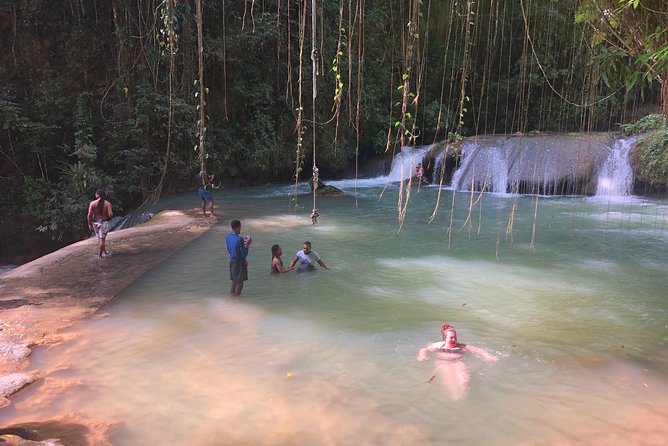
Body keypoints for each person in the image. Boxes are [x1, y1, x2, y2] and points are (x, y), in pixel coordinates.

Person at [417, 323, 497, 401]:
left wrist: (489, 356)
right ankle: (455, 393)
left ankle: (465, 385)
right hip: (444, 363)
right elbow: (424, 349)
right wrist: (422, 355)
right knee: (448, 374)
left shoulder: (460, 346)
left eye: (455, 337)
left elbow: (477, 349)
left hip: (458, 362)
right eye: (451, 338)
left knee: (462, 370)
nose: (454, 339)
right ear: (445, 338)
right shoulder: (439, 345)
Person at [225, 219, 251, 296]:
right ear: (237, 227)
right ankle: (236, 300)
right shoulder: (240, 239)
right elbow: (244, 254)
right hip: (239, 262)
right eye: (240, 227)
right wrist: (248, 244)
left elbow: (229, 250)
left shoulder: (228, 236)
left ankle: (231, 297)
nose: (240, 228)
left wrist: (243, 244)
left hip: (232, 261)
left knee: (234, 281)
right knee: (240, 283)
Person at [87, 188, 114, 258]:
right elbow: (110, 214)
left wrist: (89, 224)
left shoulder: (92, 203)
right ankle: (100, 255)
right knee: (102, 240)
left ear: (98, 195)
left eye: (96, 193)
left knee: (99, 239)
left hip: (95, 223)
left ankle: (104, 252)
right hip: (103, 223)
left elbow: (89, 215)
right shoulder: (107, 204)